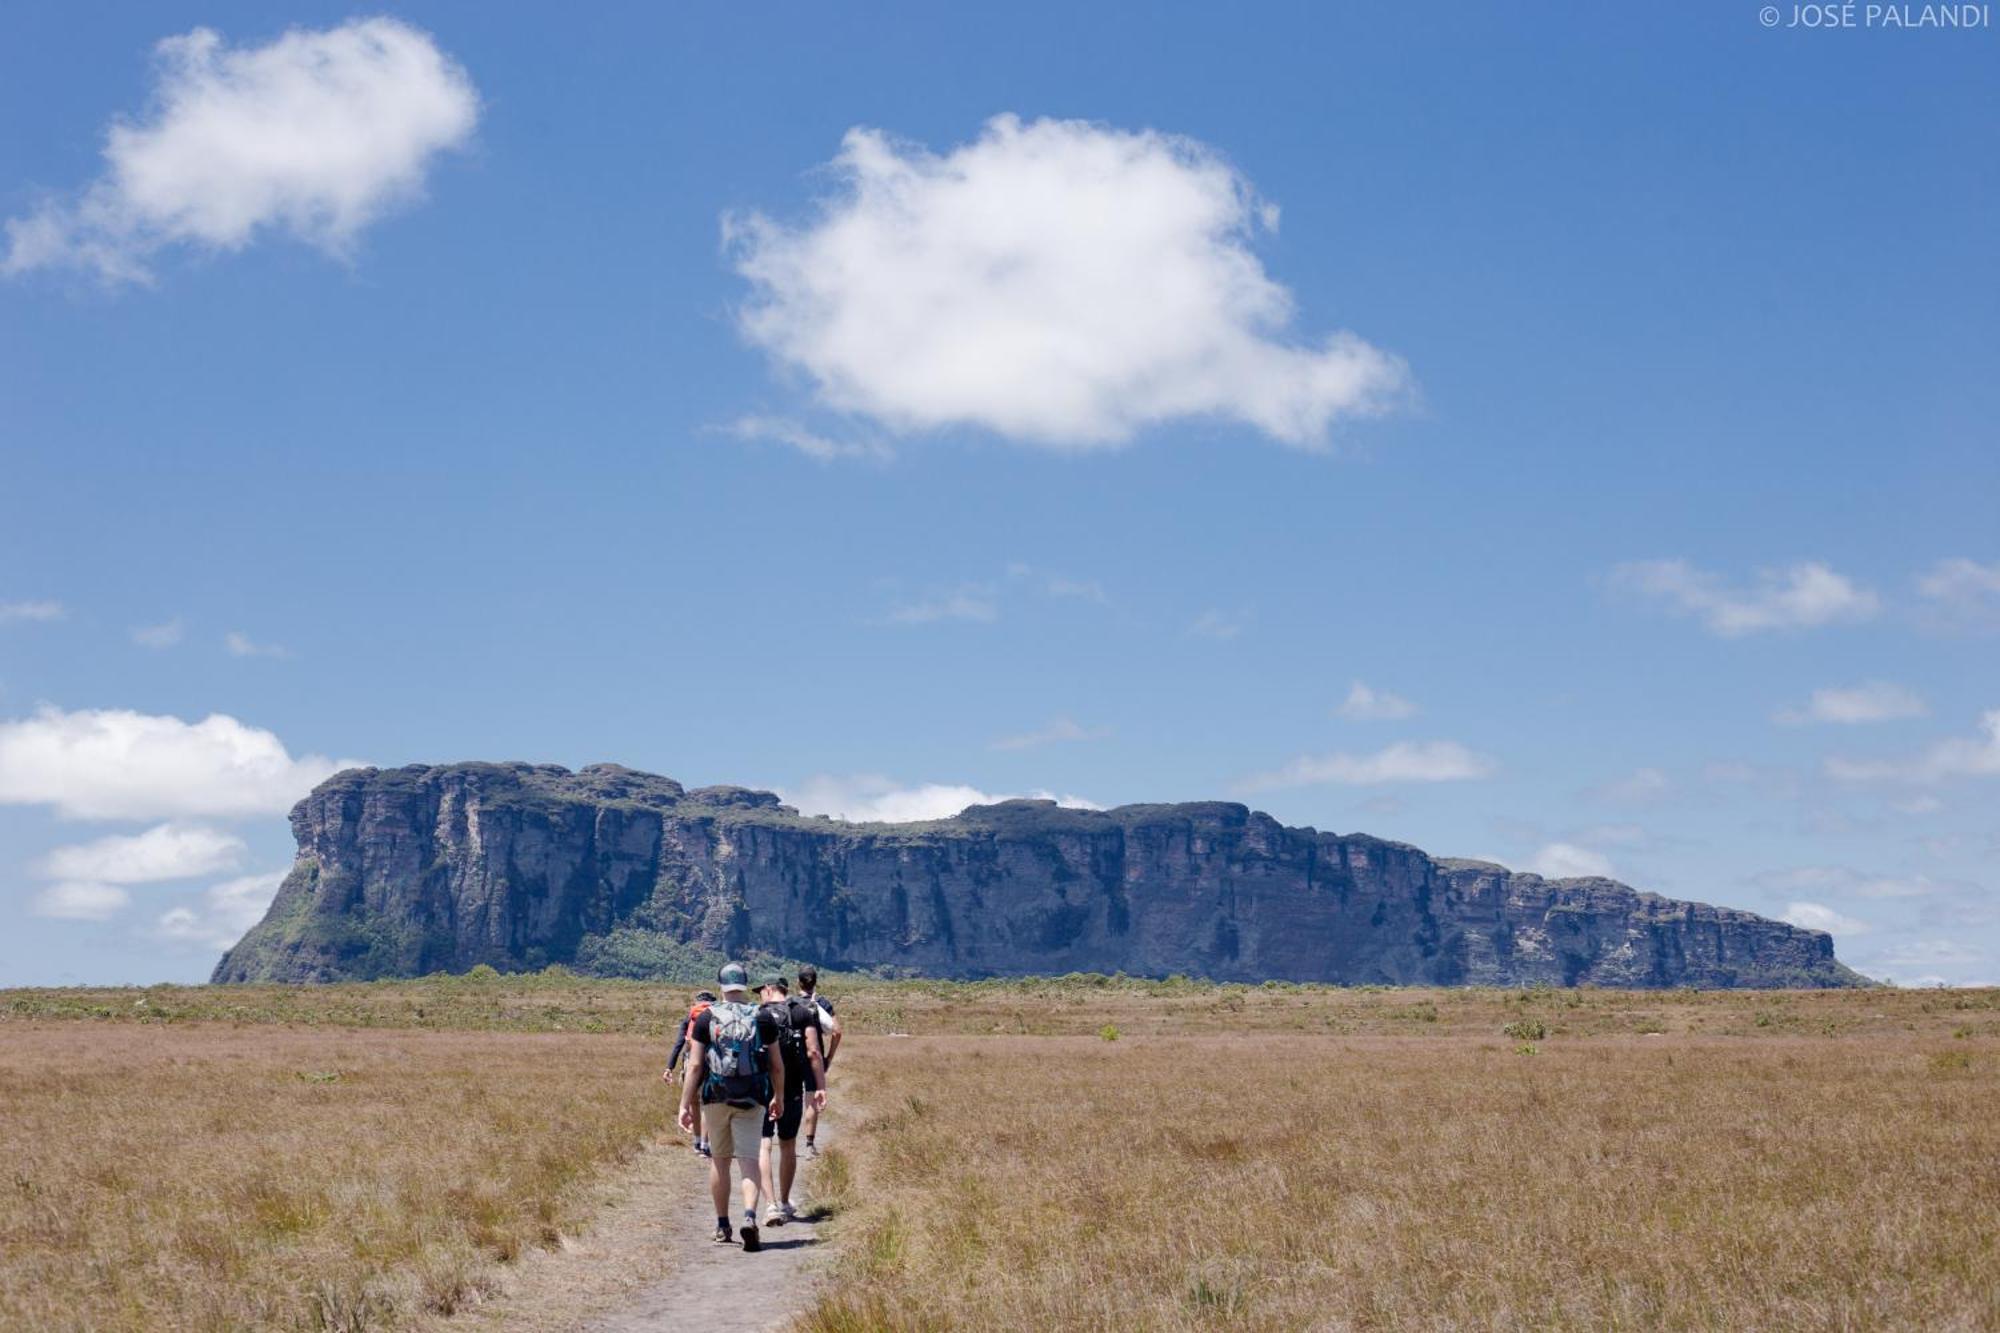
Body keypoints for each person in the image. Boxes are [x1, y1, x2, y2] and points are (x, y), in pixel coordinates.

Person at [676, 963, 784, 1251]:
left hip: (716, 1097)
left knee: (720, 1160)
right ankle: (749, 1216)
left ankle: (723, 1224)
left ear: (721, 986)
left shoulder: (707, 1017)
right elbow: (776, 1065)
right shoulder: (762, 1017)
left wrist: (685, 1104)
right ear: (746, 984)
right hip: (752, 1096)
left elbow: (696, 1065)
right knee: (749, 1158)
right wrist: (779, 1097)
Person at [755, 975, 826, 1226]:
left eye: (760, 991)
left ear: (768, 989)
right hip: (793, 1087)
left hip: (762, 1088)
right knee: (787, 1145)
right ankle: (785, 1202)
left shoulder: (758, 1014)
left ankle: (771, 1205)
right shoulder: (802, 1012)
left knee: (763, 1144)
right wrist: (820, 1085)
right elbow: (814, 1052)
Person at [661, 989, 717, 1157]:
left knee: (694, 1104)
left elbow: (679, 1043)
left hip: (690, 1061)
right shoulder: (715, 1015)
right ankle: (706, 1145)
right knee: (707, 1105)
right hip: (712, 1062)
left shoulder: (689, 1017)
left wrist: (669, 1067)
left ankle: (697, 1142)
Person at [796, 965, 842, 1157]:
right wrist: (829, 1057)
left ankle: (785, 1139)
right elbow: (837, 1031)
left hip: (793, 1057)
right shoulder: (823, 1002)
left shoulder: (792, 1002)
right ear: (815, 982)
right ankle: (809, 1144)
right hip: (815, 1057)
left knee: (790, 1098)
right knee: (811, 1100)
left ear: (798, 982)